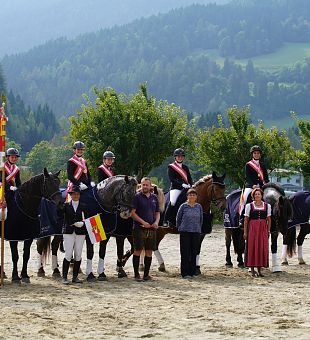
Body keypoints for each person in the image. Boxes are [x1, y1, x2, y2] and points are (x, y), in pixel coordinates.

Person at [85, 150, 116, 282]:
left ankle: (101, 269)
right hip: (100, 192)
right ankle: (89, 269)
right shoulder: (100, 169)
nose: (109, 161)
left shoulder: (113, 171)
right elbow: (102, 183)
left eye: (111, 159)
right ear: (104, 160)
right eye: (107, 159)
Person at [131, 177, 160, 282]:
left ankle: (146, 275)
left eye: (147, 185)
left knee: (149, 251)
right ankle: (136, 275)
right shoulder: (136, 197)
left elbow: (157, 212)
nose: (145, 187)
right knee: (137, 250)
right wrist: (143, 222)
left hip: (152, 228)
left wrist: (156, 222)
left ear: (150, 186)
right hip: (139, 228)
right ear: (140, 185)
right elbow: (132, 213)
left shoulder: (154, 197)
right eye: (143, 185)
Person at [62, 185, 89, 284]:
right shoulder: (66, 205)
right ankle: (64, 277)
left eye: (77, 194)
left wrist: (82, 223)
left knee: (78, 254)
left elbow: (87, 219)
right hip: (68, 232)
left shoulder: (84, 206)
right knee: (68, 254)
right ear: (71, 195)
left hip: (80, 232)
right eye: (74, 194)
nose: (76, 195)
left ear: (79, 195)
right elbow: (60, 216)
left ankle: (75, 277)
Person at [244, 188, 271, 277]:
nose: (257, 195)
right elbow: (246, 220)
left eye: (259, 194)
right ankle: (252, 270)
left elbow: (269, 219)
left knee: (261, 247)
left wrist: (268, 230)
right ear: (253, 196)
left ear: (261, 195)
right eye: (255, 194)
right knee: (252, 247)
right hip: (252, 228)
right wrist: (245, 232)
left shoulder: (267, 206)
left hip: (263, 228)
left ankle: (259, 270)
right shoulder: (249, 206)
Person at [176, 188, 203, 278]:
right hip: (185, 232)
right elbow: (178, 219)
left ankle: (193, 272)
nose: (192, 196)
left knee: (194, 252)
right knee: (185, 252)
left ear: (196, 197)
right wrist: (180, 227)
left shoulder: (199, 206)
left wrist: (198, 228)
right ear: (187, 196)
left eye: (193, 195)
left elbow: (201, 219)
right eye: (190, 195)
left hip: (196, 232)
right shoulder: (183, 206)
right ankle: (185, 273)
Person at [239, 145, 269, 223]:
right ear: (252, 154)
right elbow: (248, 177)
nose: (256, 154)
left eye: (258, 153)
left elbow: (266, 177)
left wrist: (266, 184)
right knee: (245, 198)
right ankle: (241, 217)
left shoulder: (263, 165)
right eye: (255, 153)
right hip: (251, 186)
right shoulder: (248, 165)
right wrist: (253, 185)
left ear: (260, 154)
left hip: (262, 186)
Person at [164, 148, 193, 226]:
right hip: (176, 188)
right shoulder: (171, 167)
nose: (180, 157)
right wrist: (182, 184)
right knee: (173, 202)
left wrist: (191, 185)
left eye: (181, 156)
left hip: (186, 188)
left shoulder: (185, 167)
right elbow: (172, 179)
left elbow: (189, 178)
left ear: (183, 157)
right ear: (175, 157)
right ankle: (166, 220)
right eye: (178, 156)